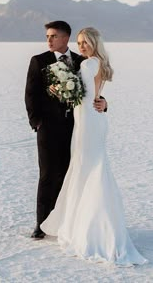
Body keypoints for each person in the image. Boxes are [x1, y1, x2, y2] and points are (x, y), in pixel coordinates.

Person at [41, 27, 147, 265]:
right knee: (89, 168)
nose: (82, 47)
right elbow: (89, 94)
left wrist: (59, 88)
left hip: (88, 122)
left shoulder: (89, 64)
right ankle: (93, 223)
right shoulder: (96, 63)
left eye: (86, 42)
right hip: (91, 119)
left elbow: (79, 93)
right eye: (79, 43)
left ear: (94, 43)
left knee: (88, 169)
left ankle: (91, 229)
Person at [24, 21, 107, 239]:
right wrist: (37, 123)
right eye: (47, 36)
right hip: (48, 129)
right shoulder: (39, 61)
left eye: (53, 36)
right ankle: (41, 224)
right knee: (48, 175)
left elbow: (92, 89)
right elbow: (30, 95)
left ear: (65, 38)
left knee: (71, 174)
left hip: (78, 127)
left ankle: (67, 222)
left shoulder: (83, 60)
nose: (49, 40)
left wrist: (104, 102)